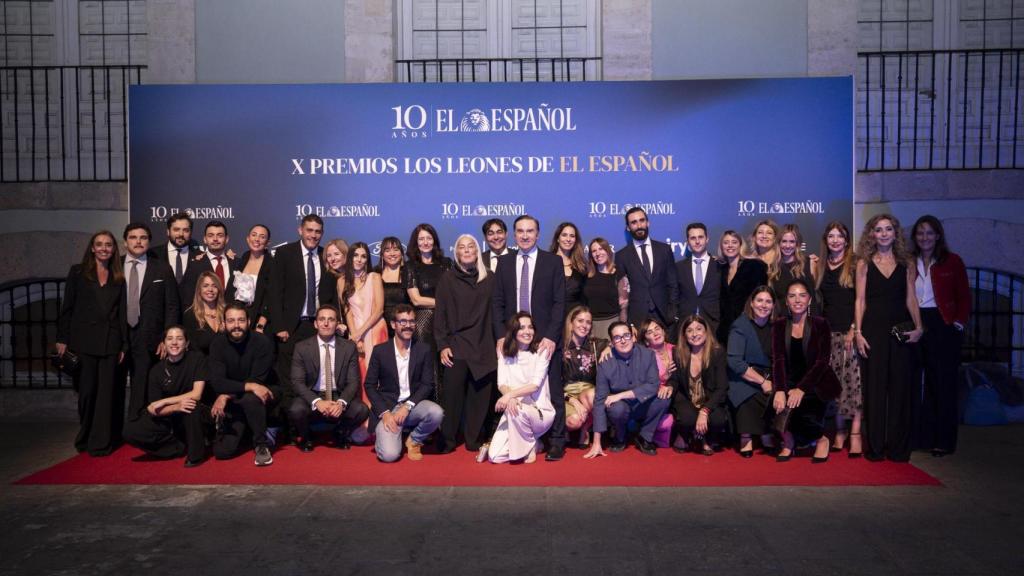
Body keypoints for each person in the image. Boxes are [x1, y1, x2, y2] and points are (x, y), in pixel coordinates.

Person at [491, 214, 567, 461]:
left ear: (538, 234)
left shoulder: (552, 262)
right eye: (520, 231)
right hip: (514, 338)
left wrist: (552, 336)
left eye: (530, 231)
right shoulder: (504, 262)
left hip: (544, 339)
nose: (525, 236)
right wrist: (501, 336)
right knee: (514, 387)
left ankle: (557, 441)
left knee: (552, 391)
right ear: (514, 235)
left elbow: (559, 303)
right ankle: (519, 438)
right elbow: (497, 303)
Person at [855, 214, 923, 463]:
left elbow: (911, 298)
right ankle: (875, 448)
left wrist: (919, 327)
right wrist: (858, 333)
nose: (883, 234)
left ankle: (897, 448)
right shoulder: (863, 263)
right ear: (872, 234)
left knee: (900, 390)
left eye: (888, 229)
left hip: (900, 333)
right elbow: (860, 300)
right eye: (878, 230)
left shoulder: (907, 263)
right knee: (874, 390)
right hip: (872, 331)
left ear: (895, 234)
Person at [57, 230, 128, 456]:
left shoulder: (119, 277)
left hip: (110, 343)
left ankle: (102, 442)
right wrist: (62, 338)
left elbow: (121, 313)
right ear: (92, 248)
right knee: (87, 392)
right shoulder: (77, 272)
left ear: (114, 250)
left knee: (106, 395)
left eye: (108, 244)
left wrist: (123, 345)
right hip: (83, 342)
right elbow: (67, 307)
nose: (104, 248)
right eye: (100, 244)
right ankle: (85, 438)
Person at [910, 215, 970, 457]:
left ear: (937, 236)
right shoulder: (909, 262)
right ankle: (922, 437)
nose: (924, 237)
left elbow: (964, 296)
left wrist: (957, 324)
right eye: (920, 233)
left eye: (929, 233)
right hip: (916, 322)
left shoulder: (952, 261)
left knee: (942, 384)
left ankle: (943, 441)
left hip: (943, 324)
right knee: (916, 383)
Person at [434, 234, 497, 454]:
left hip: (484, 345)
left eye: (471, 246)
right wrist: (442, 344)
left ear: (478, 251)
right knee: (452, 398)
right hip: (456, 345)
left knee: (480, 399)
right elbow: (440, 314)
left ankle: (474, 439)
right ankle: (448, 440)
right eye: (462, 247)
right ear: (457, 252)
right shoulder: (447, 279)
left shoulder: (489, 278)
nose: (467, 250)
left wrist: (499, 342)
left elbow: (497, 312)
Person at [771, 279, 841, 463]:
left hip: (816, 382)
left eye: (802, 296)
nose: (797, 300)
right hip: (790, 381)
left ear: (809, 300)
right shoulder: (779, 325)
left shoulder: (820, 324)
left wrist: (801, 389)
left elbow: (822, 362)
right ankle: (789, 441)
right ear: (786, 301)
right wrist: (780, 389)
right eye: (792, 296)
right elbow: (778, 359)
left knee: (804, 411)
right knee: (774, 404)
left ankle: (822, 439)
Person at [365, 305, 444, 462]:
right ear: (393, 324)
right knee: (389, 456)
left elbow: (427, 384)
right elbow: (369, 385)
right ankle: (389, 435)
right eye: (403, 321)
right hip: (388, 408)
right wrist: (385, 413)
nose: (408, 325)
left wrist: (407, 406)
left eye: (411, 321)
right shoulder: (380, 351)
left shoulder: (423, 349)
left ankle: (414, 440)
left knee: (436, 413)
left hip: (412, 406)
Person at [267, 215, 338, 391]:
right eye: (309, 230)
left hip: (319, 326)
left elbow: (333, 294)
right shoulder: (284, 253)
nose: (313, 235)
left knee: (316, 375)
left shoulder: (325, 256)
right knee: (289, 378)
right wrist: (279, 326)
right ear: (300, 230)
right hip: (291, 328)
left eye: (318, 232)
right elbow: (274, 292)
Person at [123, 326, 210, 467]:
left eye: (179, 338)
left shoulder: (197, 359)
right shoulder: (156, 370)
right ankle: (176, 448)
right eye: (170, 339)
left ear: (187, 343)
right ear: (164, 344)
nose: (174, 342)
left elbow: (196, 394)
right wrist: (176, 407)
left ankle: (196, 455)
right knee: (130, 431)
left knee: (190, 405)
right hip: (169, 418)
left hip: (193, 414)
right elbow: (154, 409)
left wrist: (166, 401)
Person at [207, 303, 281, 466]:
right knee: (222, 452)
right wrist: (229, 392)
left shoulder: (262, 342)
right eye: (231, 321)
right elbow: (217, 382)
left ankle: (261, 444)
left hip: (263, 393)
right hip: (236, 396)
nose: (236, 325)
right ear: (224, 323)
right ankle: (249, 430)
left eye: (241, 320)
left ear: (248, 322)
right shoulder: (217, 344)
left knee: (250, 398)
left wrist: (226, 394)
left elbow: (257, 382)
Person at [288, 304, 369, 451]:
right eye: (322, 319)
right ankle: (307, 437)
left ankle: (340, 432)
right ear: (315, 323)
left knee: (361, 410)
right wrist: (317, 401)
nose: (326, 323)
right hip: (313, 394)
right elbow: (297, 382)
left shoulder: (349, 347)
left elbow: (353, 382)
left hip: (337, 394)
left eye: (331, 320)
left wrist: (341, 403)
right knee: (296, 409)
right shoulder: (301, 347)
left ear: (337, 324)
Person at [121, 222, 180, 423]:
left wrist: (166, 337)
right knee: (112, 385)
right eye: (133, 237)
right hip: (117, 336)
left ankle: (138, 425)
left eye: (143, 238)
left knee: (142, 384)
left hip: (149, 336)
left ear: (149, 242)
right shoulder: (114, 266)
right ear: (125, 242)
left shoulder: (162, 268)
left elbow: (172, 306)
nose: (138, 242)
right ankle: (113, 431)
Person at [585, 321, 669, 458]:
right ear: (612, 342)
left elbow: (654, 385)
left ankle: (644, 436)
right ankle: (620, 436)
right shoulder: (605, 362)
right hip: (621, 408)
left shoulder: (648, 355)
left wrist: (621, 395)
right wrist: (596, 442)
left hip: (643, 403)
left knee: (663, 399)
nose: (623, 340)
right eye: (617, 338)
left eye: (626, 335)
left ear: (633, 337)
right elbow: (599, 400)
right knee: (616, 408)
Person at [815, 221, 863, 457]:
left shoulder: (856, 264)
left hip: (849, 332)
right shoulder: (820, 265)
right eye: (831, 236)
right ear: (826, 240)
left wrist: (854, 328)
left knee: (854, 385)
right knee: (834, 386)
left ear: (846, 240)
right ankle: (840, 431)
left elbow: (861, 300)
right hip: (828, 333)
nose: (835, 240)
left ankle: (855, 434)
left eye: (840, 236)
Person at [482, 313, 555, 464]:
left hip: (539, 412)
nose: (527, 331)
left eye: (530, 327)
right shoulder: (504, 352)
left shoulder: (541, 352)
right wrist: (510, 398)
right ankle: (533, 443)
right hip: (513, 411)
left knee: (517, 410)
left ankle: (529, 446)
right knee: (495, 457)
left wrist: (509, 396)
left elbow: (534, 385)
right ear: (514, 331)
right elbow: (502, 383)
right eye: (522, 328)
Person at [666, 315, 729, 455]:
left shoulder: (717, 353)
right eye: (689, 330)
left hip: (708, 399)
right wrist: (669, 385)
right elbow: (675, 380)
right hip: (687, 399)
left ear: (706, 331)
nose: (694, 334)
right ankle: (685, 434)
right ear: (684, 335)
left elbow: (722, 387)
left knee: (718, 420)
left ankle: (705, 437)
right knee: (687, 419)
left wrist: (705, 410)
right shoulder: (677, 353)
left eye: (699, 329)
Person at [726, 286, 776, 458]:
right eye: (759, 300)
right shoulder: (740, 325)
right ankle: (746, 436)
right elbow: (735, 362)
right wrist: (762, 382)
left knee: (777, 394)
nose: (764, 305)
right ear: (752, 303)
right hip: (744, 375)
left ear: (773, 306)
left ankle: (765, 433)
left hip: (770, 374)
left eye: (768, 301)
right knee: (746, 394)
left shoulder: (776, 326)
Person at [615, 207, 678, 334]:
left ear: (648, 223)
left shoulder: (664, 250)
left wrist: (673, 313)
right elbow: (623, 292)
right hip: (637, 320)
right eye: (634, 222)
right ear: (628, 227)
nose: (639, 226)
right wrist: (630, 322)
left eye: (642, 220)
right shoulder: (621, 256)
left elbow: (673, 283)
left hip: (665, 317)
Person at [561, 306, 609, 449]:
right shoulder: (561, 346)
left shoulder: (596, 345)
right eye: (580, 321)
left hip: (588, 393)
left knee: (594, 395)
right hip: (566, 394)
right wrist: (572, 400)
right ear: (571, 323)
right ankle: (567, 429)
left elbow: (617, 341)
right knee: (574, 421)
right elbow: (553, 382)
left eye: (588, 322)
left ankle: (586, 428)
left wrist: (609, 347)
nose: (584, 325)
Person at [405, 223, 451, 362]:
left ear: (434, 240)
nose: (425, 242)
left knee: (448, 363)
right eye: (421, 239)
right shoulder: (410, 266)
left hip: (448, 321)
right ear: (416, 242)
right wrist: (444, 304)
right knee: (427, 364)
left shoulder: (447, 263)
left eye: (429, 238)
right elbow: (416, 300)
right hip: (423, 323)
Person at [344, 242, 388, 380]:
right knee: (360, 373)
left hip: (376, 329)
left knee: (379, 373)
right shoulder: (342, 281)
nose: (359, 259)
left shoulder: (374, 277)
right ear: (350, 257)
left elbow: (379, 310)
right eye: (355, 255)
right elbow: (348, 312)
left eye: (363, 256)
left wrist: (359, 333)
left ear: (367, 260)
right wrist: (356, 338)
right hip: (356, 332)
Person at [717, 230, 768, 345]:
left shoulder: (754, 266)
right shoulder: (720, 269)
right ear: (721, 246)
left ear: (740, 245)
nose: (730, 245)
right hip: (726, 331)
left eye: (734, 242)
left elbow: (762, 295)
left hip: (749, 327)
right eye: (726, 242)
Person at [179, 220, 241, 307]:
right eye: (210, 235)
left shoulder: (237, 263)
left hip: (232, 314)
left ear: (226, 239)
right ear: (205, 239)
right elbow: (187, 298)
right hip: (204, 314)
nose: (215, 239)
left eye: (220, 235)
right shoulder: (195, 265)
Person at [675, 222, 723, 335]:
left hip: (714, 324)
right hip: (686, 325)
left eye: (700, 237)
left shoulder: (720, 265)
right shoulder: (678, 267)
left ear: (707, 239)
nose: (697, 241)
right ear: (687, 241)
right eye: (693, 238)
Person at [639, 317, 676, 448]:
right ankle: (644, 435)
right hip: (654, 398)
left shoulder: (676, 350)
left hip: (676, 394)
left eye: (657, 329)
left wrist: (670, 385)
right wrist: (663, 378)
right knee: (663, 403)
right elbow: (643, 383)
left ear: (663, 331)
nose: (655, 333)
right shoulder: (644, 356)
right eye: (649, 332)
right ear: (646, 341)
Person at [771, 223, 819, 317]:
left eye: (792, 242)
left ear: (797, 244)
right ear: (779, 243)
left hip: (810, 320)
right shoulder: (773, 269)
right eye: (784, 241)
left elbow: (819, 293)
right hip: (784, 321)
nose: (788, 245)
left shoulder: (810, 263)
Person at [235, 224, 273, 332]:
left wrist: (261, 324)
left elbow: (271, 298)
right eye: (254, 235)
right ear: (248, 238)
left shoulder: (272, 264)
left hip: (259, 323)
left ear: (268, 242)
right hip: (238, 320)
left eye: (262, 237)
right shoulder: (242, 259)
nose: (257, 239)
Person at [582, 237, 622, 339]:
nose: (598, 253)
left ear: (608, 250)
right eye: (594, 251)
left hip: (612, 323)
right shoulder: (587, 275)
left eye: (601, 249)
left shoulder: (618, 273)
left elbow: (624, 304)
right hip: (590, 326)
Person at [182, 271, 225, 356]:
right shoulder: (190, 315)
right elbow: (193, 349)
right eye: (205, 286)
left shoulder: (226, 313)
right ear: (199, 290)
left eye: (214, 286)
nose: (210, 289)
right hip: (202, 363)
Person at [150, 212, 200, 285]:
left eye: (186, 230)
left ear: (191, 232)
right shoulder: (153, 255)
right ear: (168, 232)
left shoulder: (200, 256)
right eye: (176, 229)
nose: (181, 234)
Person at [550, 222, 587, 317]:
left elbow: (584, 298)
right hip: (551, 317)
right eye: (564, 235)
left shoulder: (581, 266)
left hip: (575, 319)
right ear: (557, 238)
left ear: (576, 240)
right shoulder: (546, 263)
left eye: (572, 236)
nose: (568, 239)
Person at [377, 236, 410, 338]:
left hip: (405, 325)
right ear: (382, 254)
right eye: (387, 250)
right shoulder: (375, 273)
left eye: (396, 250)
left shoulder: (409, 272)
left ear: (402, 253)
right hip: (380, 326)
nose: (392, 254)